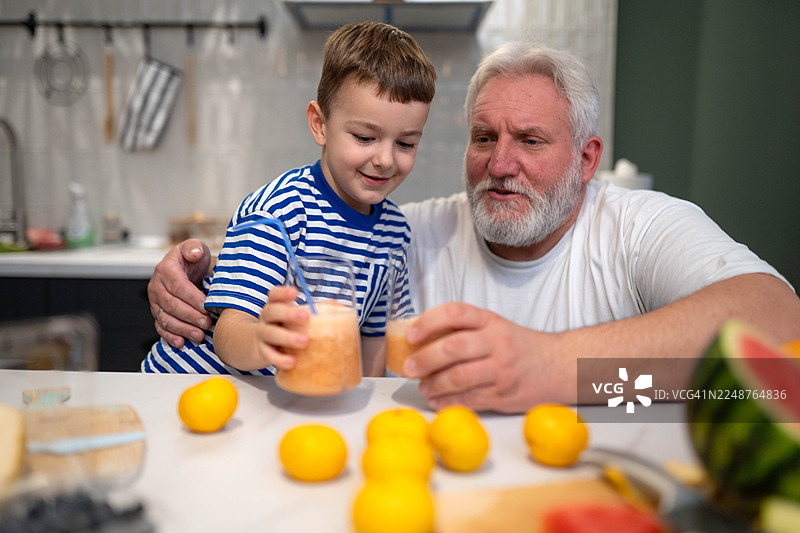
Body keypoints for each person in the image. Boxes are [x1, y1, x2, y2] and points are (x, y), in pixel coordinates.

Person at [147, 42, 800, 413]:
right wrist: (196, 272)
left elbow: (779, 323)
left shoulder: (640, 226)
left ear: (588, 158)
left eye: (533, 140)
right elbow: (288, 266)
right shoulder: (409, 231)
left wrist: (547, 365)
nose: (501, 163)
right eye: (484, 136)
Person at [142, 21, 436, 376]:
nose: (386, 160)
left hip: (280, 404)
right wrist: (264, 341)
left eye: (405, 144)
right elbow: (228, 333)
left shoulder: (394, 233)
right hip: (186, 386)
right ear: (320, 124)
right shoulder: (279, 211)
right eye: (364, 137)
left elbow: (372, 341)